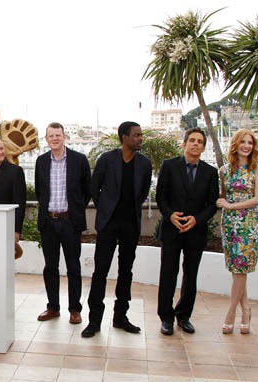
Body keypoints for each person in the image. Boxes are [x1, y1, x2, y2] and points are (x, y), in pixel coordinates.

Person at [82, 122, 152, 337]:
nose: (140, 138)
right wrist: (105, 208)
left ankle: (120, 317)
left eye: (141, 135)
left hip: (131, 223)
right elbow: (94, 187)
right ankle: (94, 321)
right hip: (108, 223)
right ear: (124, 137)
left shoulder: (145, 163)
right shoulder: (107, 159)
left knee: (126, 272)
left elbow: (143, 192)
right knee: (100, 271)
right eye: (136, 135)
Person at [156, 127, 219, 335]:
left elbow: (212, 204)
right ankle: (166, 318)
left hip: (195, 232)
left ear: (203, 147)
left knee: (190, 276)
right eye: (191, 140)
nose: (195, 144)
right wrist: (170, 215)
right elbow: (160, 197)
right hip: (171, 230)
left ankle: (184, 316)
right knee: (168, 274)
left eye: (199, 141)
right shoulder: (169, 166)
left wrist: (197, 220)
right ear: (184, 143)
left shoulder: (210, 173)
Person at [34, 122, 91, 324]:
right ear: (47, 139)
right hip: (48, 222)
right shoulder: (41, 161)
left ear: (64, 137)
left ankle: (75, 309)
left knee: (73, 267)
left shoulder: (79, 160)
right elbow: (41, 191)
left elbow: (86, 191)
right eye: (51, 136)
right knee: (50, 267)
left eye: (58, 135)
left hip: (70, 222)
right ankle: (53, 307)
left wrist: (74, 210)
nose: (55, 139)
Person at [216, 129, 258, 335]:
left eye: (250, 143)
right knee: (237, 269)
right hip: (230, 224)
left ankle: (231, 313)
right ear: (235, 144)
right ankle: (246, 310)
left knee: (240, 268)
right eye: (243, 142)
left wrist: (230, 206)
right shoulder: (224, 170)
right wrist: (223, 204)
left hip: (250, 223)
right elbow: (222, 197)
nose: (247, 146)